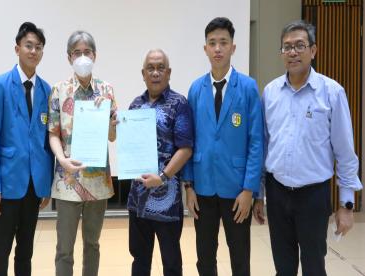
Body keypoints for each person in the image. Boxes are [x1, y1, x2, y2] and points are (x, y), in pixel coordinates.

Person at [253, 20, 363, 276]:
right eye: (287, 47)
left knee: (314, 266)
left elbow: (345, 153)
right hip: (277, 192)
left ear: (313, 50)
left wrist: (347, 205)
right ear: (281, 53)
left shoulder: (332, 92)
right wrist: (259, 193)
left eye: (299, 46)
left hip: (313, 196)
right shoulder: (270, 92)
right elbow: (264, 145)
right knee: (283, 266)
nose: (292, 52)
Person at [183, 17, 264, 276]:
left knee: (240, 257)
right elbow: (188, 141)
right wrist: (189, 185)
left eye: (223, 43)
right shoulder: (196, 89)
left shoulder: (248, 87)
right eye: (212, 43)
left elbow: (256, 141)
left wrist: (250, 189)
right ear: (205, 48)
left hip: (237, 190)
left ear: (233, 48)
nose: (218, 48)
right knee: (205, 257)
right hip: (203, 188)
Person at [0, 22, 54, 276]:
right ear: (17, 48)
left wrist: (46, 184)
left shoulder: (46, 90)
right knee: (0, 249)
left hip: (35, 186)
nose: (33, 51)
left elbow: (48, 141)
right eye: (28, 45)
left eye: (38, 47)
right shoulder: (2, 84)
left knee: (26, 251)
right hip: (8, 184)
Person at [48, 30, 117, 276]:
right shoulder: (59, 90)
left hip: (98, 180)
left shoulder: (106, 90)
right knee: (64, 248)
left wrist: (109, 118)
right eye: (77, 53)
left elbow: (112, 136)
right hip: (68, 180)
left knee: (92, 244)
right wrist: (63, 160)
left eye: (87, 52)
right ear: (69, 58)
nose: (82, 57)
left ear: (95, 55)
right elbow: (53, 133)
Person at [126, 49, 193, 276]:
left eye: (160, 67)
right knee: (139, 260)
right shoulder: (135, 106)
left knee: (171, 263)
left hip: (168, 202)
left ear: (169, 72)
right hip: (138, 200)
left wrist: (162, 177)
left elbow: (185, 148)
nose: (156, 73)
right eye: (151, 68)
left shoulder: (179, 104)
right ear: (143, 73)